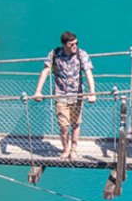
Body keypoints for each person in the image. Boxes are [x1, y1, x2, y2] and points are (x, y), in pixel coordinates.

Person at [33, 31, 97, 160]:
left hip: (77, 95)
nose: (75, 46)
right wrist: (38, 91)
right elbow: (45, 71)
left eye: (77, 43)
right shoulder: (55, 54)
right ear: (64, 44)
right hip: (61, 95)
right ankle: (65, 148)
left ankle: (73, 149)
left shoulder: (81, 54)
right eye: (72, 44)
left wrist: (92, 92)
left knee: (76, 123)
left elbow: (88, 72)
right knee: (63, 126)